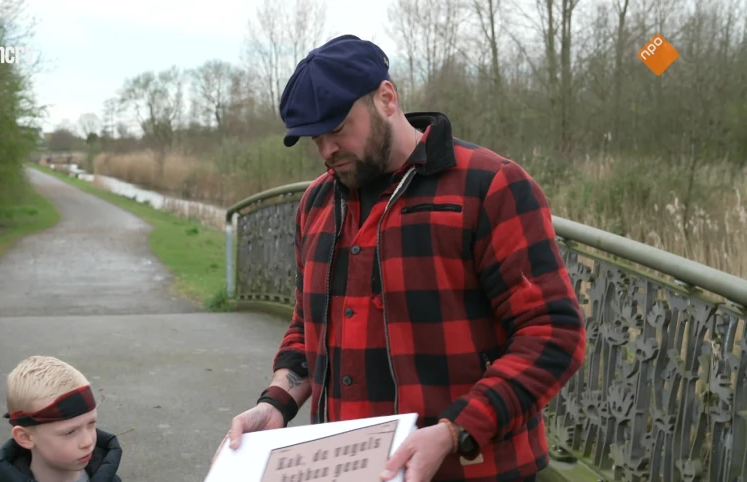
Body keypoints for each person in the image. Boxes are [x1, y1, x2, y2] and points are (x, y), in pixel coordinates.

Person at [220, 34, 586, 482]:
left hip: (474, 470)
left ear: (387, 99)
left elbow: (553, 332)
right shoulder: (315, 204)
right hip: (352, 468)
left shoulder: (490, 186)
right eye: (315, 138)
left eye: (338, 129)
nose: (327, 151)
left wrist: (454, 431)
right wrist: (275, 402)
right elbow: (307, 328)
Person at [0, 356, 123, 482]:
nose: (88, 442)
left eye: (91, 424)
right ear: (25, 437)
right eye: (70, 432)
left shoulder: (107, 477)